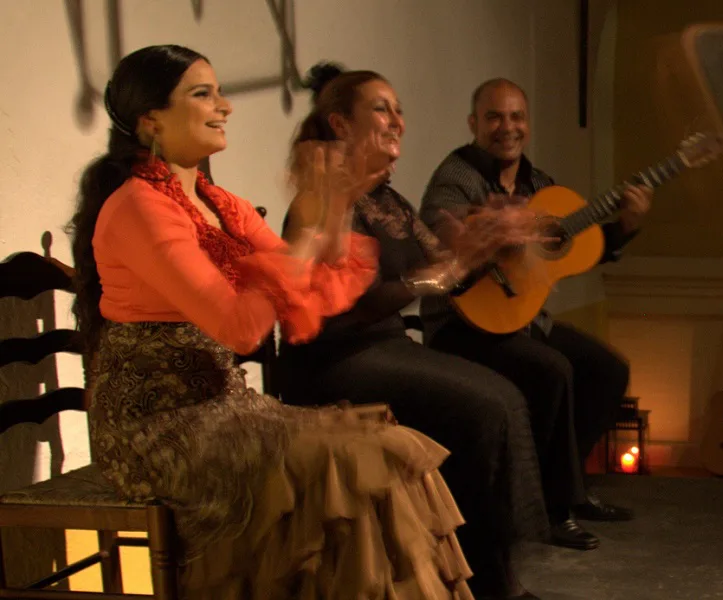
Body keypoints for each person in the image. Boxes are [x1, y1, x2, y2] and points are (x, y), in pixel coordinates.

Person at [69, 44, 475, 599]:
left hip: (222, 405)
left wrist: (331, 207)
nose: (224, 106)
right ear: (151, 120)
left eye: (218, 91)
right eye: (202, 94)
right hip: (157, 428)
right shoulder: (139, 207)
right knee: (350, 463)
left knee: (389, 447)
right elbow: (242, 328)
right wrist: (307, 233)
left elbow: (312, 298)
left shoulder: (219, 203)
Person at [278, 63, 551, 600]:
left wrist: (487, 241)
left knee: (503, 395)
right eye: (381, 108)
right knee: (486, 407)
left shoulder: (391, 204)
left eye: (399, 109)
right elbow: (352, 305)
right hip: (335, 358)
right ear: (340, 124)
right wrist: (442, 270)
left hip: (384, 348)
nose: (397, 120)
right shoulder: (322, 201)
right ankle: (493, 583)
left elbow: (447, 269)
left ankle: (491, 571)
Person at [418, 78, 653, 551]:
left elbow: (576, 248)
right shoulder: (456, 175)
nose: (507, 127)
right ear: (473, 124)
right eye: (494, 117)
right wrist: (498, 234)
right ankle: (552, 511)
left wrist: (624, 229)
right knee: (553, 370)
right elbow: (446, 232)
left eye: (516, 117)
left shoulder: (539, 185)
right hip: (461, 322)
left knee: (608, 369)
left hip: (521, 320)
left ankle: (567, 488)